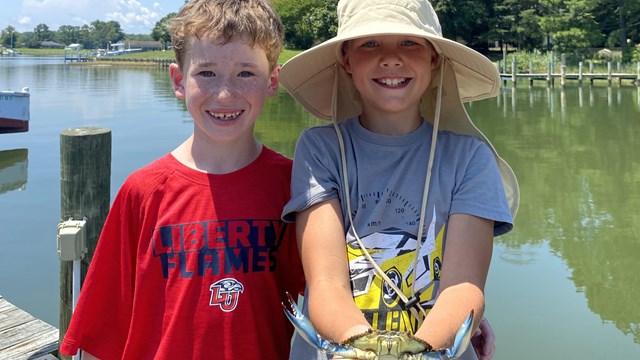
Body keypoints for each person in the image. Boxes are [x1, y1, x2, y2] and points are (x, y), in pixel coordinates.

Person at [59, 0, 304, 359]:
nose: (225, 93)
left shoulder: (295, 187)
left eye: (246, 74)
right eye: (206, 73)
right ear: (178, 80)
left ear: (272, 81)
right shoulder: (142, 192)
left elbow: (320, 307)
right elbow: (104, 333)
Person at [280, 0, 519, 359]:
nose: (391, 58)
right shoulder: (320, 149)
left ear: (434, 58)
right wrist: (365, 348)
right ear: (346, 58)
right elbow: (326, 282)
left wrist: (415, 352)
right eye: (370, 44)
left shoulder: (470, 159)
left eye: (410, 43)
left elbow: (463, 287)